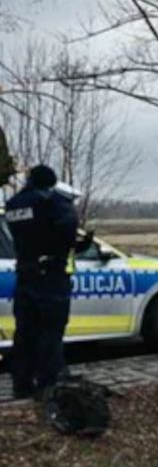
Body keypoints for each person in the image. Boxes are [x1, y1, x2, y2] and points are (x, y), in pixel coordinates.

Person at [5, 165, 79, 400]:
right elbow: (68, 229)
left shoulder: (14, 204)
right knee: (50, 331)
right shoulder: (52, 203)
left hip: (25, 275)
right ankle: (48, 383)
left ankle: (21, 383)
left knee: (25, 332)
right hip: (50, 276)